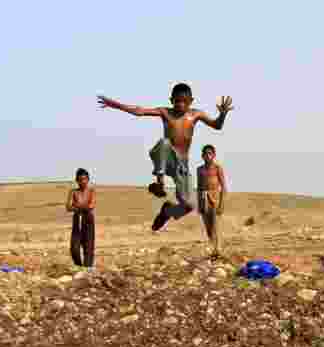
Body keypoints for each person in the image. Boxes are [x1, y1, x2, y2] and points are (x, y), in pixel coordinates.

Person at [97, 84, 234, 232]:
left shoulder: (196, 114)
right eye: (177, 101)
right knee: (164, 143)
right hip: (166, 158)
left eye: (184, 101)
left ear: (191, 101)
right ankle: (160, 183)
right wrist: (116, 105)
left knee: (189, 205)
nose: (180, 104)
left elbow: (217, 126)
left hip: (183, 165)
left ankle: (167, 212)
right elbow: (139, 111)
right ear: (171, 100)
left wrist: (223, 115)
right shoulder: (165, 112)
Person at [196, 144, 227, 259]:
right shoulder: (200, 169)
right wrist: (199, 205)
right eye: (205, 154)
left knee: (215, 225)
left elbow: (224, 186)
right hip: (204, 199)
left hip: (215, 198)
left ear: (214, 155)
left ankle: (217, 249)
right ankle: (212, 249)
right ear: (202, 156)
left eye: (210, 153)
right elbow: (199, 187)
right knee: (207, 226)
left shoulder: (218, 168)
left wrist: (221, 204)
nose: (207, 156)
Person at [66, 168, 96, 268]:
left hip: (88, 219)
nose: (82, 181)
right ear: (76, 180)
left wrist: (77, 206)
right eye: (80, 179)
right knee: (74, 247)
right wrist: (81, 206)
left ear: (88, 179)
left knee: (88, 246)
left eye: (84, 179)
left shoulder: (91, 191)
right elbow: (68, 207)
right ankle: (78, 266)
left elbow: (91, 205)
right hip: (77, 219)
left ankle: (88, 269)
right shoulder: (73, 192)